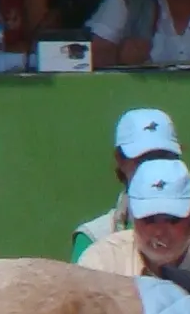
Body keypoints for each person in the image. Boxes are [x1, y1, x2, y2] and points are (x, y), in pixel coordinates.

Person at [70, 109, 184, 262]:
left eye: (163, 157)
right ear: (120, 160)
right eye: (144, 159)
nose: (154, 168)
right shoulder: (93, 237)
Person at [78, 159, 190, 280]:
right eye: (149, 219)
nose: (159, 232)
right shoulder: (103, 261)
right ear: (133, 216)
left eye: (172, 219)